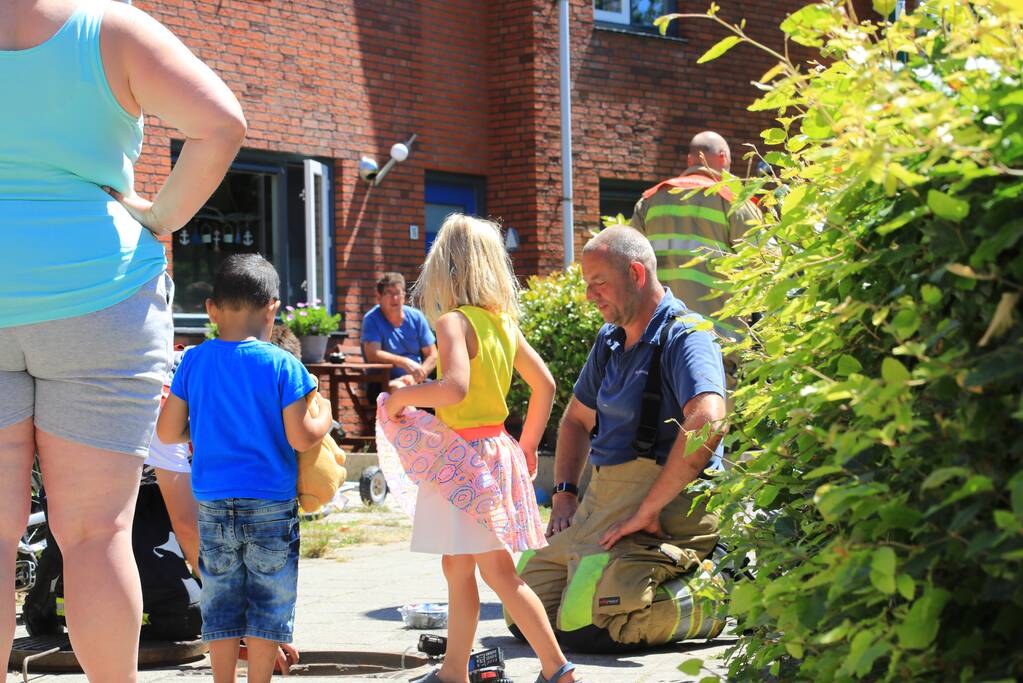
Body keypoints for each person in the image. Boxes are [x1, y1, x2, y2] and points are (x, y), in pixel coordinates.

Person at [0, 1, 245, 678]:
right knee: (94, 533)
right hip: (101, 299)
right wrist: (160, 215)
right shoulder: (109, 28)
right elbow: (221, 123)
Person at [377, 214, 579, 683]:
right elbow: (545, 385)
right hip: (494, 449)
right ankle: (453, 672)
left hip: (461, 463)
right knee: (459, 566)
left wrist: (404, 398)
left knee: (498, 573)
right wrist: (527, 446)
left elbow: (453, 391)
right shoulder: (501, 323)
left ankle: (558, 670)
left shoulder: (452, 322)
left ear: (444, 270)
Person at [511, 226, 728, 652]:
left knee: (587, 627)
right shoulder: (610, 339)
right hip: (602, 502)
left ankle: (726, 591)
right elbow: (575, 420)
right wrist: (564, 495)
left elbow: (708, 420)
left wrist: (649, 509)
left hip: (667, 508)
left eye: (599, 283)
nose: (590, 296)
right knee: (522, 608)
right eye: (586, 285)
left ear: (636, 273)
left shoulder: (685, 335)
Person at [157, 254, 332, 683]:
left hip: (214, 503)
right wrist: (324, 416)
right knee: (268, 601)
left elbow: (167, 431)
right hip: (271, 503)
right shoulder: (282, 364)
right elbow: (300, 437)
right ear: (272, 308)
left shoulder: (194, 361)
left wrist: (206, 430)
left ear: (212, 309)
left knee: (221, 598)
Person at [630, 131, 761, 340]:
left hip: (658, 337)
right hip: (717, 340)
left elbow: (628, 265)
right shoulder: (734, 201)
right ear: (723, 158)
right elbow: (762, 268)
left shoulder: (649, 201)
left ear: (690, 160)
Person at [361, 272, 438, 390]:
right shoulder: (372, 319)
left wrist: (418, 375)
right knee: (400, 389)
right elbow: (373, 353)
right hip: (382, 382)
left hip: (415, 381)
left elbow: (432, 354)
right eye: (389, 293)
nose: (395, 298)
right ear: (379, 297)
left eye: (398, 293)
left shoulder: (416, 317)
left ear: (404, 296)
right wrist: (404, 362)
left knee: (445, 390)